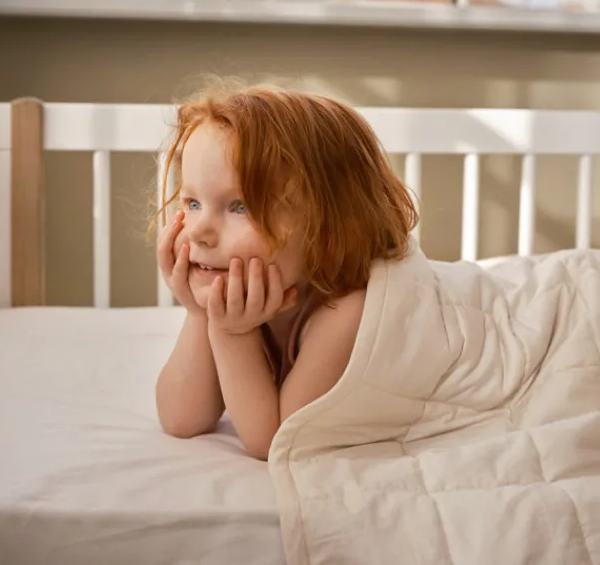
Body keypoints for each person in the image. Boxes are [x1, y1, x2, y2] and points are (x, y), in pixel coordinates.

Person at [153, 81, 418, 460]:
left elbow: (277, 441)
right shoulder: (245, 291)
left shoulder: (346, 311)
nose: (197, 230)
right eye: (192, 203)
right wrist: (200, 314)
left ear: (328, 224)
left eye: (240, 207)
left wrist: (232, 334)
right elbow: (181, 419)